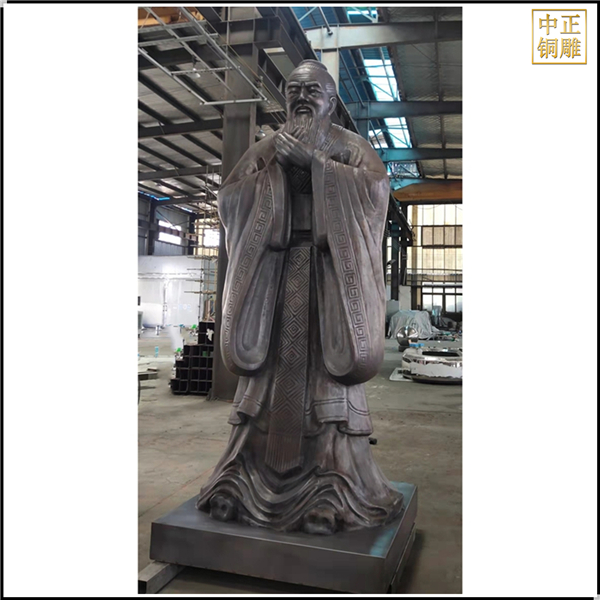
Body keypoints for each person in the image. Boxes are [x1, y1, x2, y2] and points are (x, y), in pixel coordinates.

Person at [196, 60, 403, 535]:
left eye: (312, 90)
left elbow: (375, 194)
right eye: (294, 90)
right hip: (272, 282)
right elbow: (229, 199)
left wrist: (316, 166)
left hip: (331, 287)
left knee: (327, 396)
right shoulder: (267, 148)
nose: (302, 97)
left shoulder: (351, 148)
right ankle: (239, 482)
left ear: (331, 100)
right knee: (261, 395)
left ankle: (332, 490)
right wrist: (272, 178)